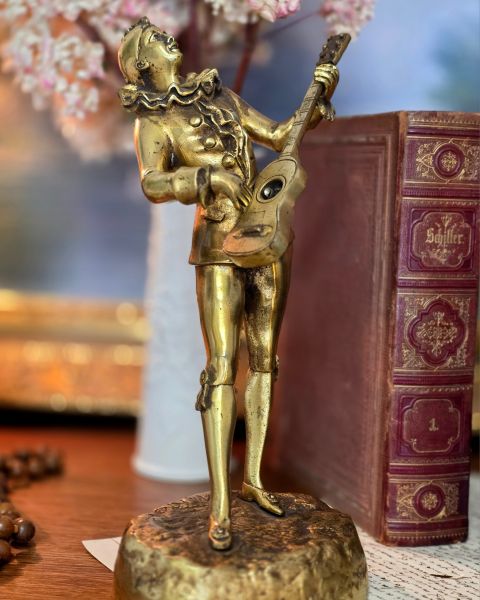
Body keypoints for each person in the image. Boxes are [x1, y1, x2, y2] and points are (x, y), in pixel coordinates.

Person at [118, 17, 339, 550]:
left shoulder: (219, 95)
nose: (165, 36)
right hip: (216, 242)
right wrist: (207, 178)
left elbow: (280, 136)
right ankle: (220, 503)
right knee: (221, 365)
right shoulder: (153, 122)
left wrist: (317, 101)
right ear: (143, 64)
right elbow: (152, 182)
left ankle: (254, 480)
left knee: (265, 357)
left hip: (267, 231)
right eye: (152, 38)